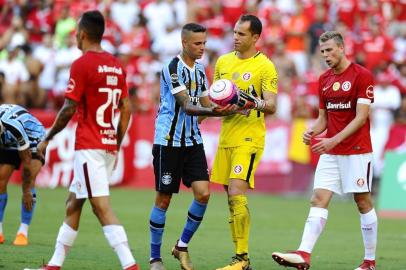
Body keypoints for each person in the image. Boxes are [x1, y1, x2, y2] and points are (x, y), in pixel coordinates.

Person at [24, 10, 139, 270]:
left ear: (83, 34)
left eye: (76, 32)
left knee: (100, 207)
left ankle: (130, 265)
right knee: (73, 203)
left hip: (90, 145)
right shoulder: (116, 65)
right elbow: (127, 109)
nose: (75, 36)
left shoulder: (82, 64)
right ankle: (54, 264)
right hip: (107, 144)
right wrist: (117, 144)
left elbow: (68, 109)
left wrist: (46, 138)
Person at [272, 31, 378, 270]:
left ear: (342, 48)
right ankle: (303, 254)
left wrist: (332, 140)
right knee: (318, 198)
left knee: (362, 202)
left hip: (357, 150)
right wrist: (313, 131)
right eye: (322, 51)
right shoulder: (324, 79)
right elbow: (324, 119)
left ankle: (369, 262)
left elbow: (361, 118)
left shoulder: (363, 75)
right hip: (331, 151)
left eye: (330, 50)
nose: (326, 55)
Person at [148, 23, 238, 270]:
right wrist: (212, 110)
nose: (202, 48)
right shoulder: (172, 68)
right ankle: (155, 258)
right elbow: (187, 105)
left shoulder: (199, 70)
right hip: (168, 141)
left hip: (192, 141)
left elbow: (208, 104)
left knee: (204, 194)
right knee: (164, 200)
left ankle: (181, 245)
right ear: (184, 43)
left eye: (204, 43)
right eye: (198, 43)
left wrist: (230, 108)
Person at [210, 14, 278, 270]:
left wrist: (251, 102)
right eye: (235, 32)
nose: (235, 37)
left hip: (249, 138)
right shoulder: (223, 62)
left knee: (237, 193)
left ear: (255, 37)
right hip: (226, 137)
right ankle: (240, 258)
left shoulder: (265, 66)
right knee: (230, 198)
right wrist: (210, 111)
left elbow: (272, 106)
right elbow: (214, 99)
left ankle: (242, 258)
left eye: (241, 34)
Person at [0, 104, 45, 246]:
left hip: (33, 138)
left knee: (29, 180)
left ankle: (22, 232)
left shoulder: (14, 127)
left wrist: (25, 191)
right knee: (0, 181)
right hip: (7, 141)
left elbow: (26, 162)